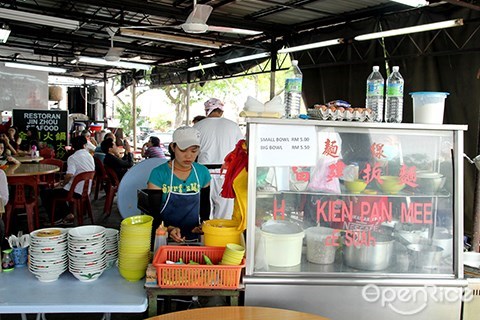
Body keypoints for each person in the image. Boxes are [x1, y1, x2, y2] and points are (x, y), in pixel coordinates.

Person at [147, 126, 211, 242]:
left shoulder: (202, 172)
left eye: (193, 151)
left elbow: (205, 207)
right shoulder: (158, 174)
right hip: (163, 235)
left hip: (193, 236)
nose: (188, 156)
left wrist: (203, 226)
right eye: (183, 150)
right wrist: (169, 229)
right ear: (173, 147)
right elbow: (153, 213)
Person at [193, 98, 244, 220]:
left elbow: (192, 151)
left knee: (204, 212)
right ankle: (222, 237)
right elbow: (241, 151)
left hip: (203, 173)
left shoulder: (197, 127)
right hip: (226, 173)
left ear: (206, 111)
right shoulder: (233, 126)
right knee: (225, 213)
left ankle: (206, 237)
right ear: (221, 111)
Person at [40, 136, 95, 224]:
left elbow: (69, 175)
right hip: (86, 190)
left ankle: (57, 218)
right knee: (58, 191)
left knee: (46, 193)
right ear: (85, 145)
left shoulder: (73, 158)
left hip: (75, 191)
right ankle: (67, 213)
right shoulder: (90, 156)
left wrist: (62, 184)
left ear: (72, 147)